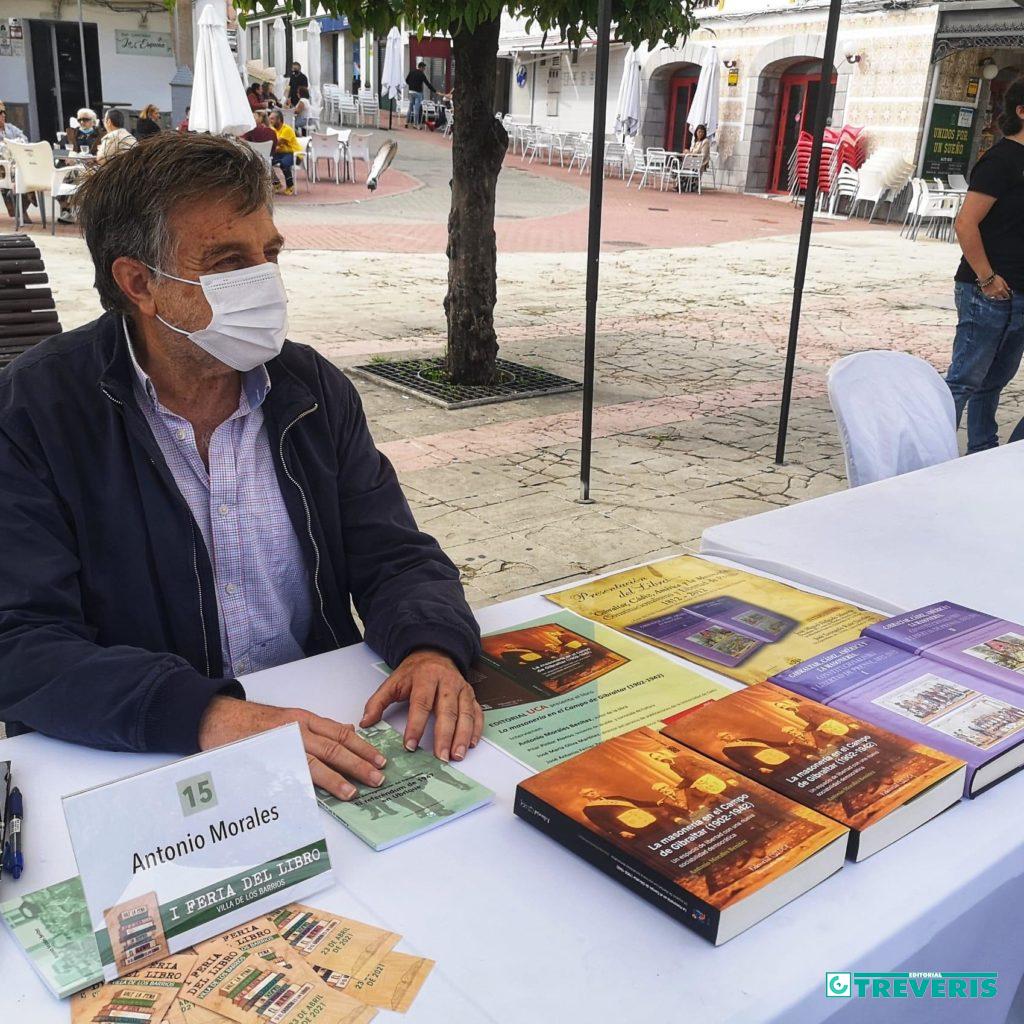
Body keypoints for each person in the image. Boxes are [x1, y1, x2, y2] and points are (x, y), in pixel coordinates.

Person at [0, 133, 482, 797]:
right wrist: (207, 715)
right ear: (138, 282)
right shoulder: (37, 411)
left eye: (270, 254)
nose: (266, 283)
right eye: (229, 263)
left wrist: (430, 644)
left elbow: (395, 557)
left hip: (325, 729)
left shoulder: (309, 390)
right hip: (143, 759)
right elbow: (20, 643)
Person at [948, 77, 1024, 454]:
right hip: (987, 290)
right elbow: (965, 223)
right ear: (1021, 112)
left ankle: (982, 450)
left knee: (994, 380)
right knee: (965, 379)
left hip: (1019, 291)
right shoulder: (1001, 160)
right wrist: (987, 278)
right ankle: (933, 451)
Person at [269, 110, 301, 195]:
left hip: (294, 154)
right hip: (280, 153)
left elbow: (277, 142)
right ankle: (276, 184)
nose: (270, 121)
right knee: (266, 162)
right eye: (269, 119)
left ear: (279, 120)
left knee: (284, 164)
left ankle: (290, 186)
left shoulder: (287, 129)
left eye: (272, 119)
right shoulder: (273, 130)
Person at [405, 61, 437, 129]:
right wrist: (434, 91)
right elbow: (427, 84)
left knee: (410, 107)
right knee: (416, 109)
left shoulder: (411, 72)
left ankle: (406, 122)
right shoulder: (421, 74)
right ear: (421, 67)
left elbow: (407, 80)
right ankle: (415, 124)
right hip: (418, 93)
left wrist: (411, 85)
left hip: (411, 92)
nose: (424, 69)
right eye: (424, 68)